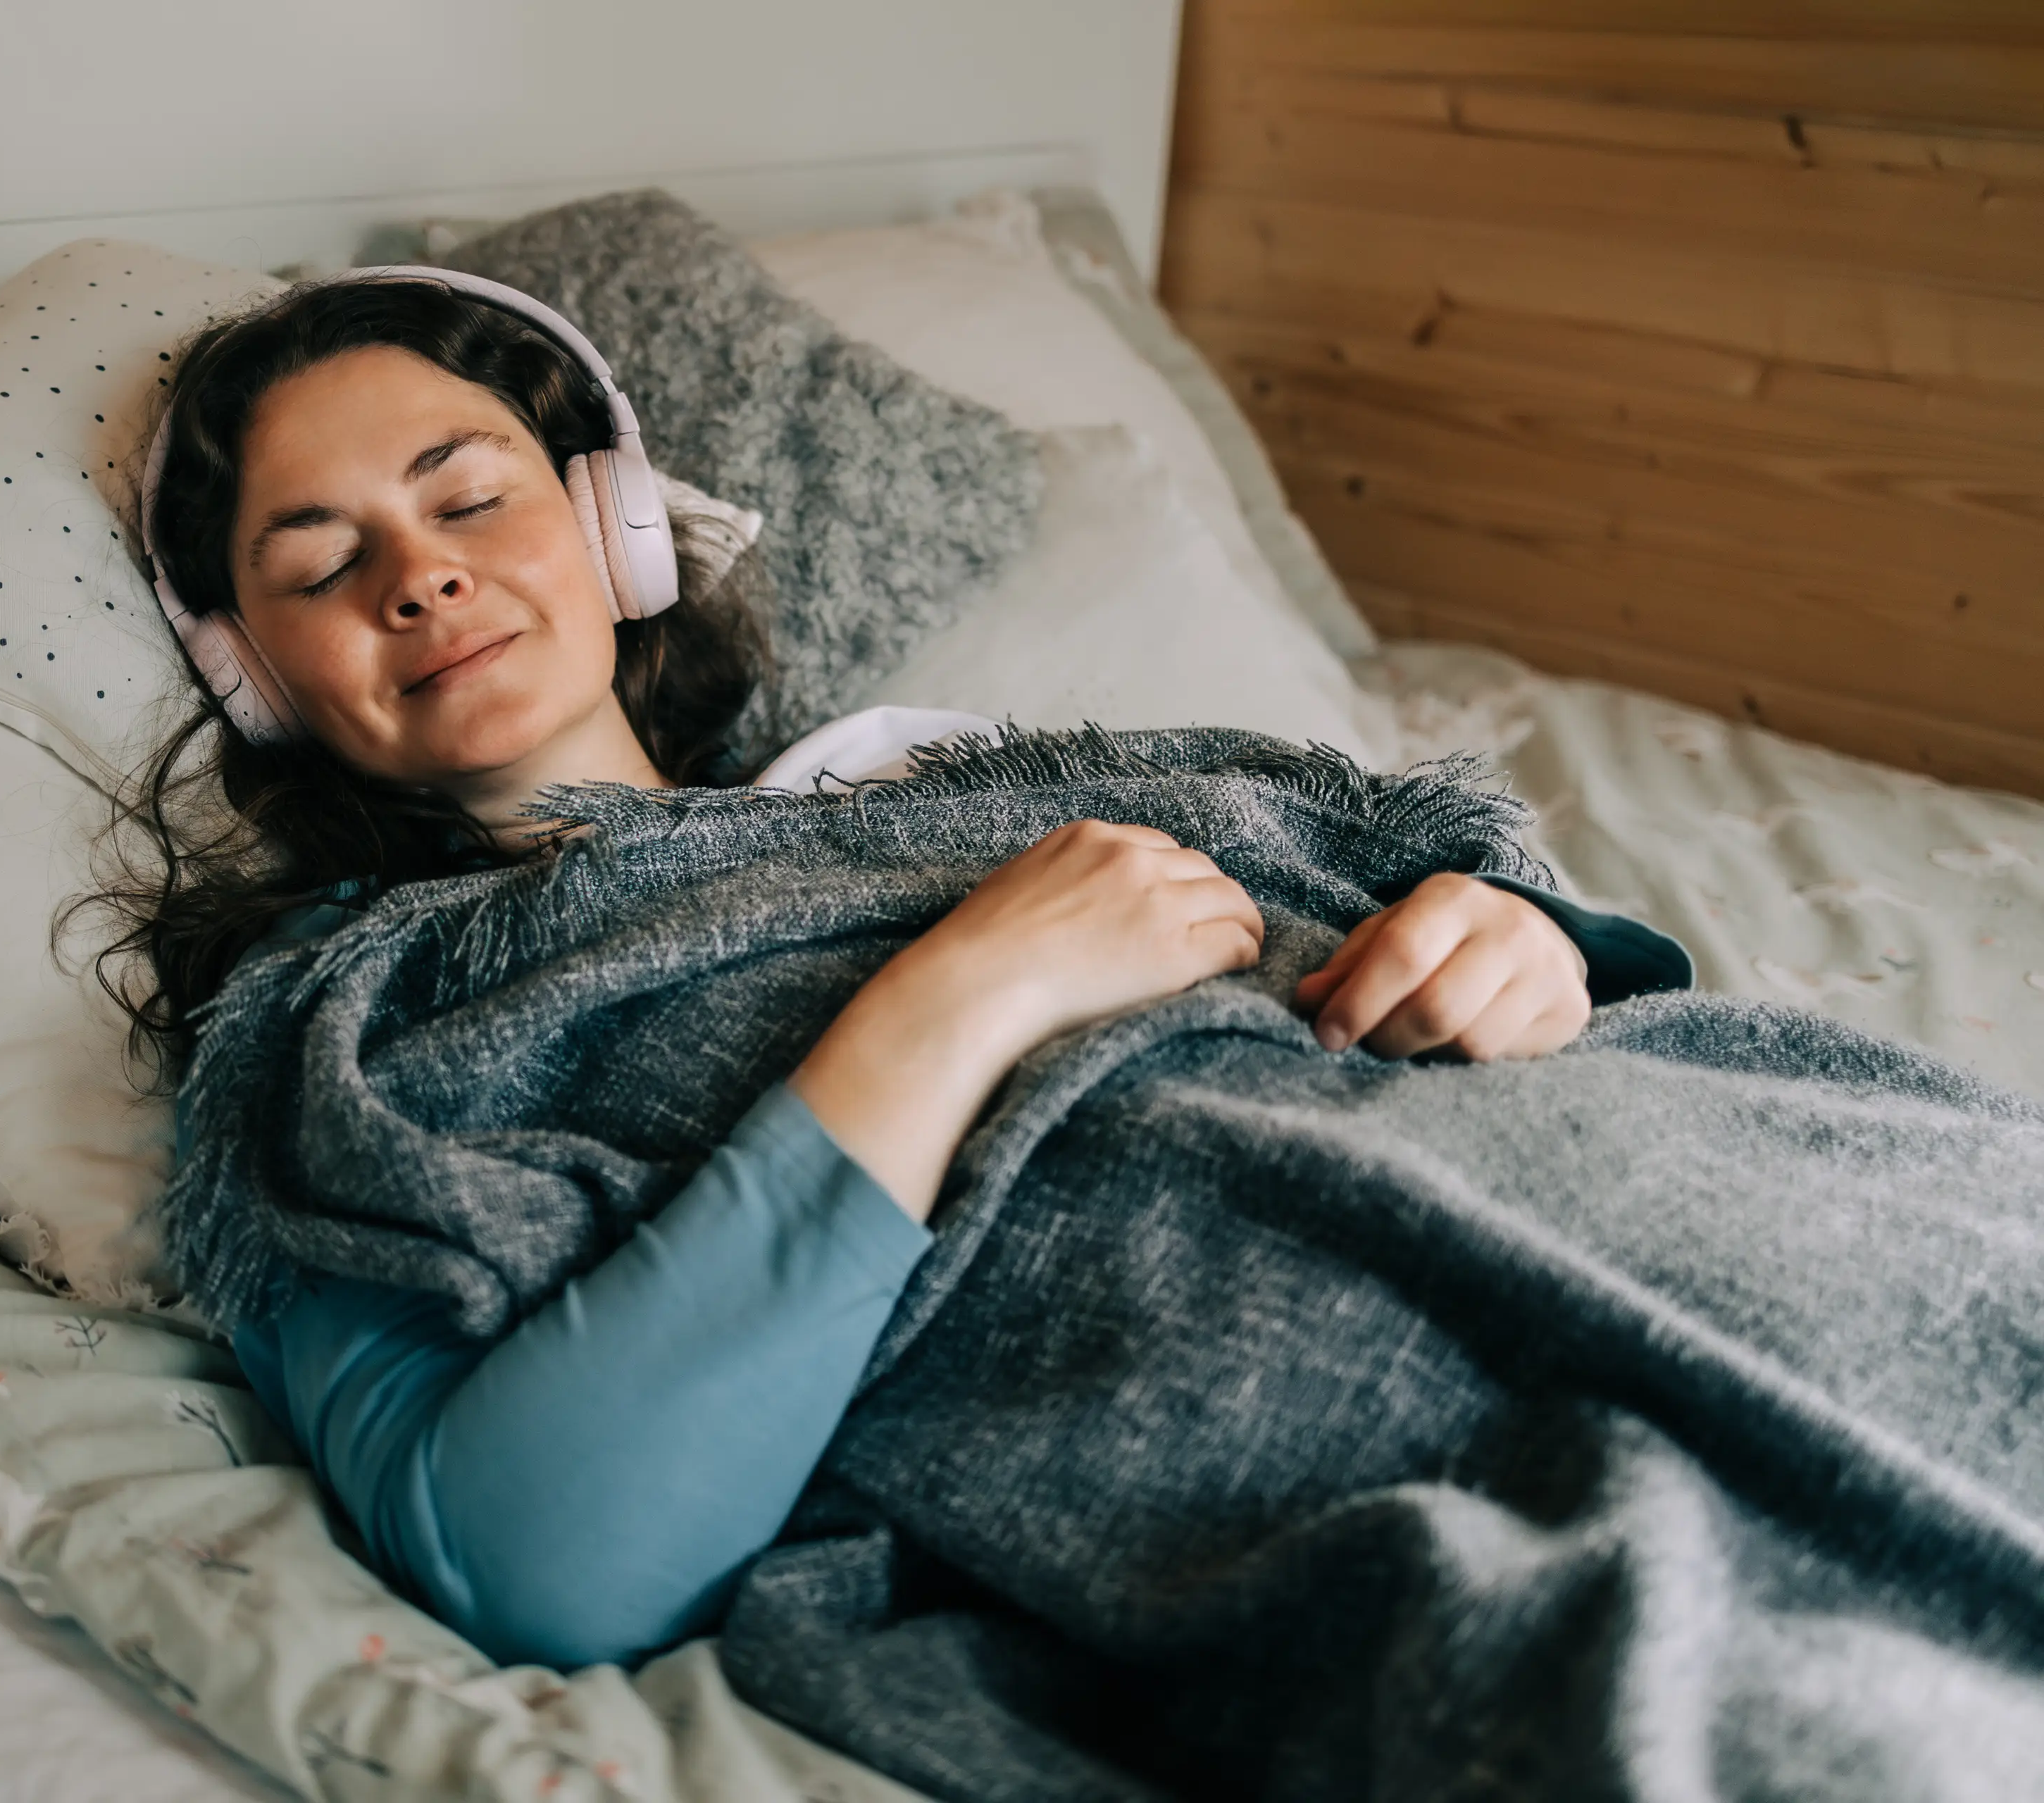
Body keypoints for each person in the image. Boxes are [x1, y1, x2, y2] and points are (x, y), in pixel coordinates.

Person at [106, 273, 1690, 1671]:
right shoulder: (333, 1037)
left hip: (1580, 1199)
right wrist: (959, 998)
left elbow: (1378, 868)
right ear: (250, 677)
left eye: (468, 499)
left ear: (613, 521)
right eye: (321, 567)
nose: (421, 577)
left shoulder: (912, 775)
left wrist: (1519, 940)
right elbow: (533, 1559)